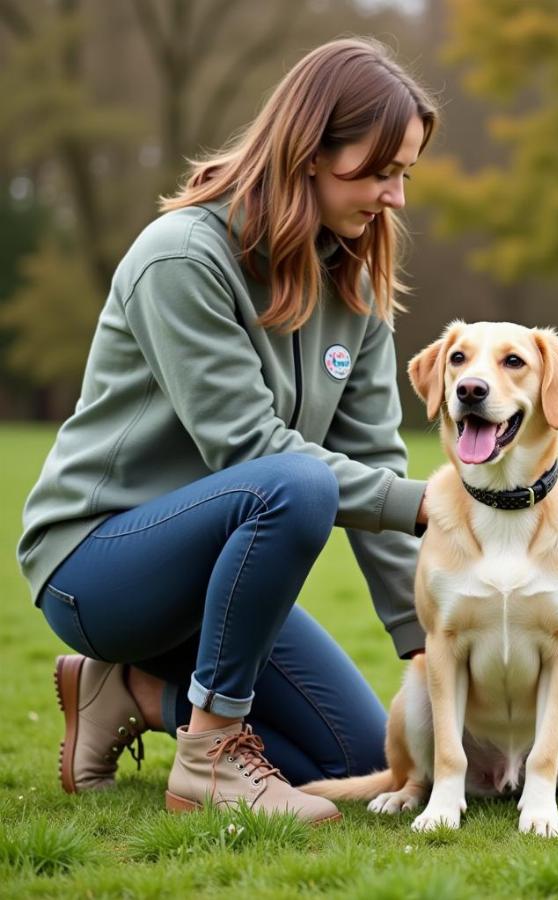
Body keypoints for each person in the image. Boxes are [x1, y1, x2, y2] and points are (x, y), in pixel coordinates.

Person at [17, 38, 438, 821]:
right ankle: (210, 753)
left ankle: (133, 691)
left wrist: (431, 650)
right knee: (296, 482)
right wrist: (422, 501)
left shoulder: (357, 278)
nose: (396, 197)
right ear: (310, 152)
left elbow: (375, 459)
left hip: (219, 581)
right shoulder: (181, 257)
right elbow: (250, 451)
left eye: (405, 173)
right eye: (380, 171)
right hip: (97, 566)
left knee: (366, 759)